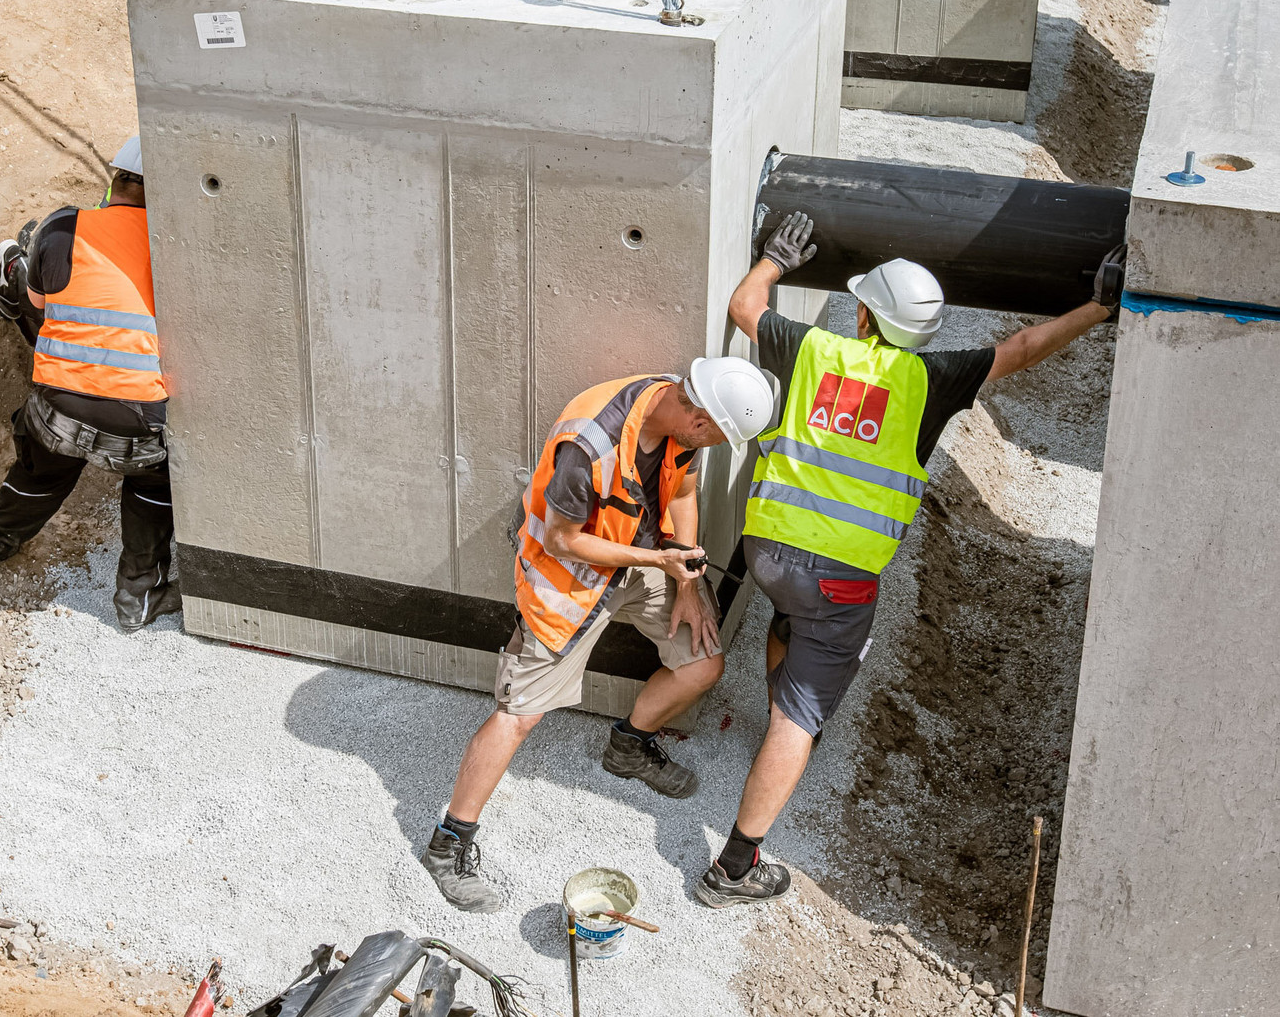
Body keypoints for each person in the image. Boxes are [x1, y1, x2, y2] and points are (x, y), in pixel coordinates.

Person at [693, 211, 1126, 908]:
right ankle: (736, 867)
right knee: (799, 719)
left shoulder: (814, 352)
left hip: (766, 550)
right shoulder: (933, 379)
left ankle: (783, 706)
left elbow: (746, 306)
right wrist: (1100, 306)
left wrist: (775, 257)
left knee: (788, 621)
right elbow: (1021, 347)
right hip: (838, 581)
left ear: (862, 316)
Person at [423, 357, 775, 913]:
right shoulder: (590, 444)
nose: (710, 446)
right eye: (715, 436)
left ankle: (628, 747)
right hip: (570, 579)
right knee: (520, 715)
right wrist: (655, 557)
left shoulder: (676, 420)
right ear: (699, 416)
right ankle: (449, 843)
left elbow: (681, 491)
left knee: (703, 662)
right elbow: (563, 539)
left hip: (646, 560)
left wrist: (683, 576)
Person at [0, 137, 180, 634]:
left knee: (41, 472)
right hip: (138, 424)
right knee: (153, 485)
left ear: (116, 180)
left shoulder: (64, 224)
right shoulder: (180, 246)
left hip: (56, 408)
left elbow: (38, 310)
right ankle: (137, 599)